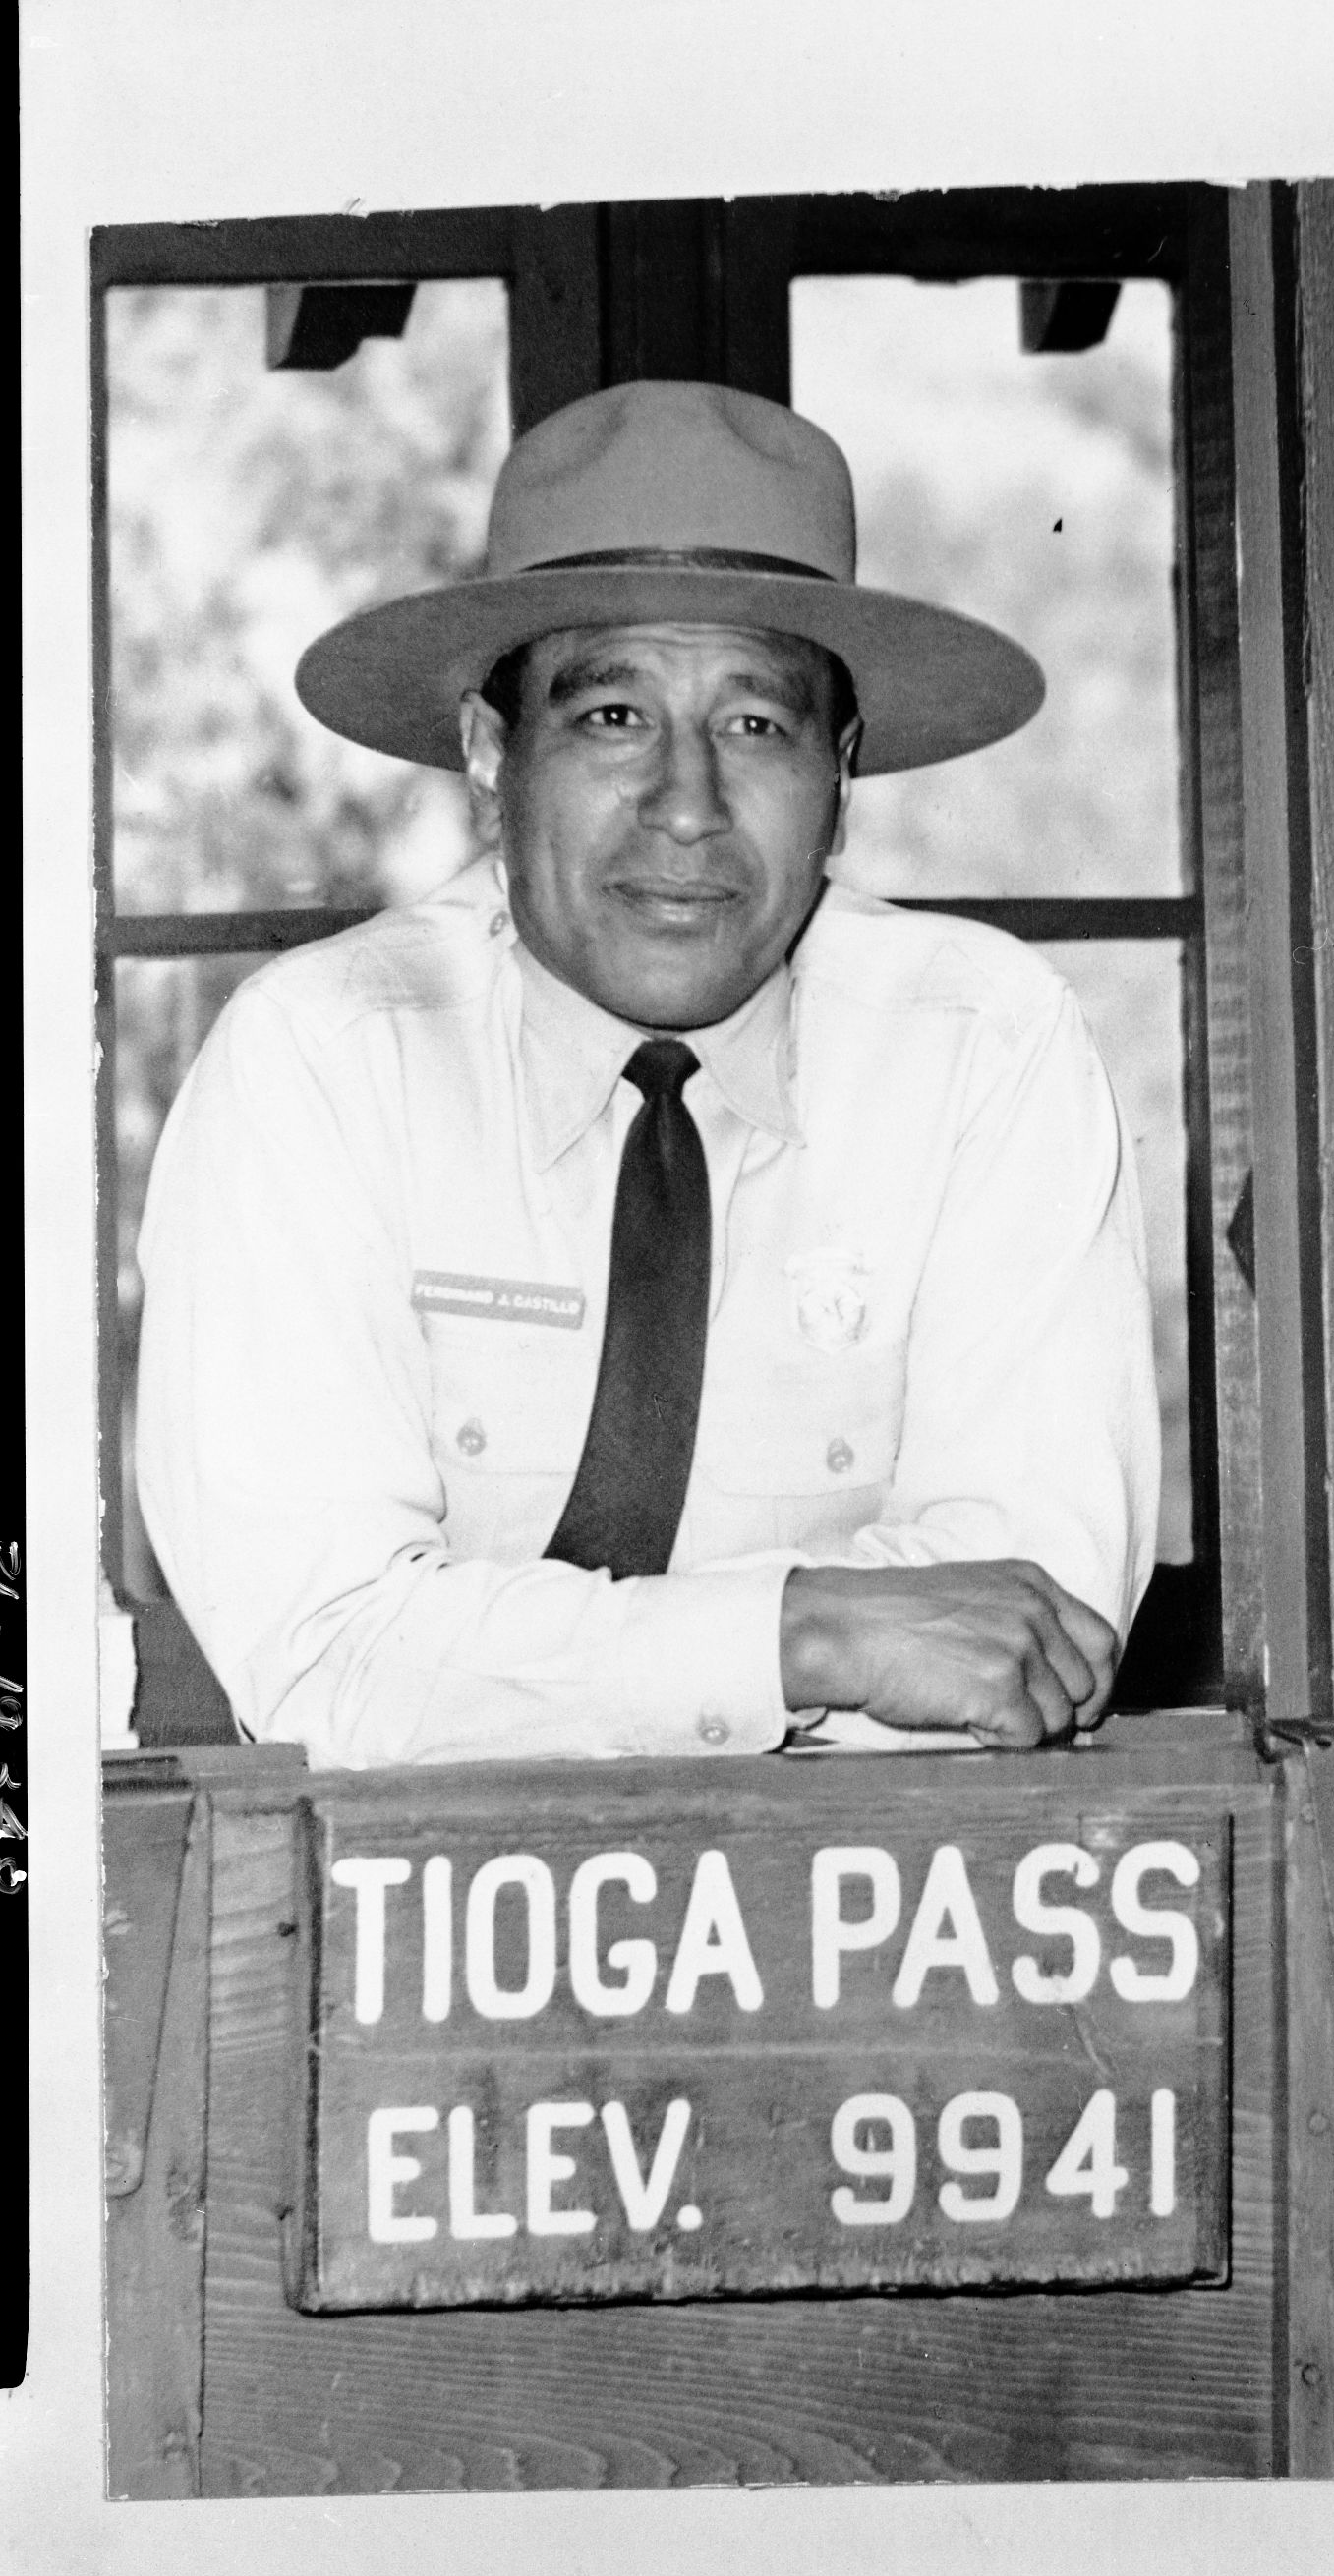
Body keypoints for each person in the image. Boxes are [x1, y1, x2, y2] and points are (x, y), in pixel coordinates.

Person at [135, 380, 1158, 1771]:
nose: (686, 805)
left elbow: (1029, 1636)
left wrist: (501, 1676)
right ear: (495, 757)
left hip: (887, 1936)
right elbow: (325, 1666)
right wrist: (802, 1639)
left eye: (755, 728)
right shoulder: (319, 1065)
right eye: (613, 716)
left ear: (841, 775)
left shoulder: (986, 1049)